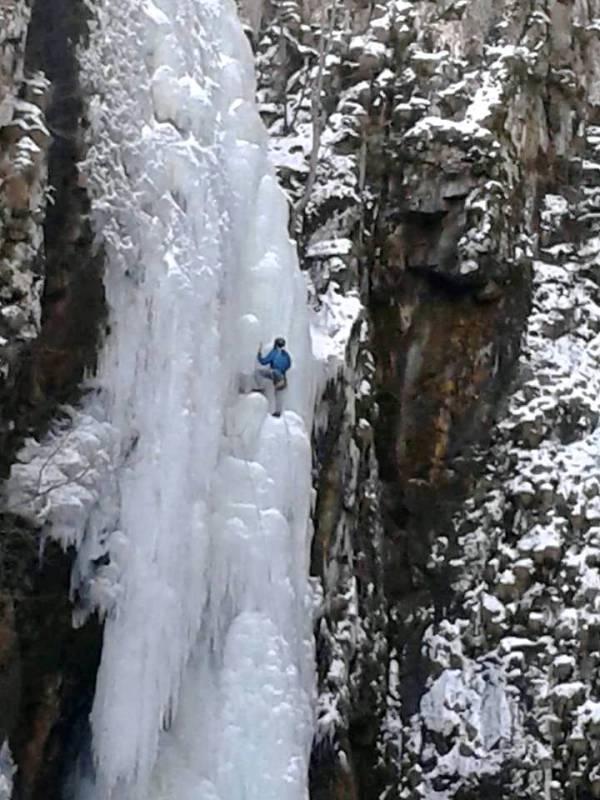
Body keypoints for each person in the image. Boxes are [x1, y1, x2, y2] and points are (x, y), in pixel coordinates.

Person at [240, 337, 292, 417]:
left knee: (258, 373)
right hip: (282, 377)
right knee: (278, 394)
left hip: (274, 373)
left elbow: (263, 361)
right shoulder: (286, 355)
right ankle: (278, 411)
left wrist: (259, 354)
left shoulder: (274, 352)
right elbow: (288, 365)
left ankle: (258, 386)